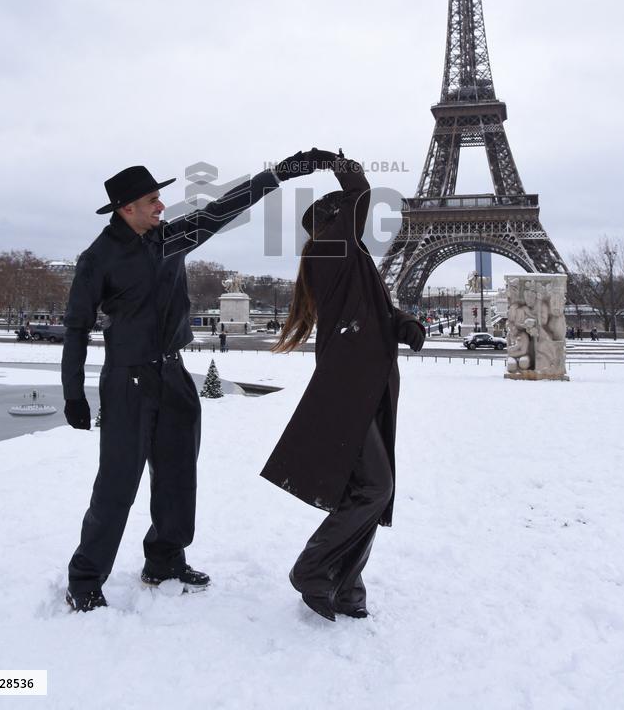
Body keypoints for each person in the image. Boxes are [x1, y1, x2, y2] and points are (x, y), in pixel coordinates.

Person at [62, 152, 319, 612]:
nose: (162, 206)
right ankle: (84, 578)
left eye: (160, 198)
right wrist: (74, 395)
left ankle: (164, 559)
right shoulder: (97, 258)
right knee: (117, 485)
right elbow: (77, 328)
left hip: (175, 375)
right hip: (128, 379)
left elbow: (223, 209)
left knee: (179, 474)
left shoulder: (172, 238)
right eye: (152, 199)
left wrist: (279, 172)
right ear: (127, 208)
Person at [261, 151, 425, 621]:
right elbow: (361, 193)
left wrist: (403, 322)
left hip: (367, 381)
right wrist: (331, 160)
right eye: (346, 212)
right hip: (348, 386)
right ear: (332, 221)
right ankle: (313, 569)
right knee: (375, 487)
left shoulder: (350, 258)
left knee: (368, 490)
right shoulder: (330, 248)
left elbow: (372, 312)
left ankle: (348, 583)